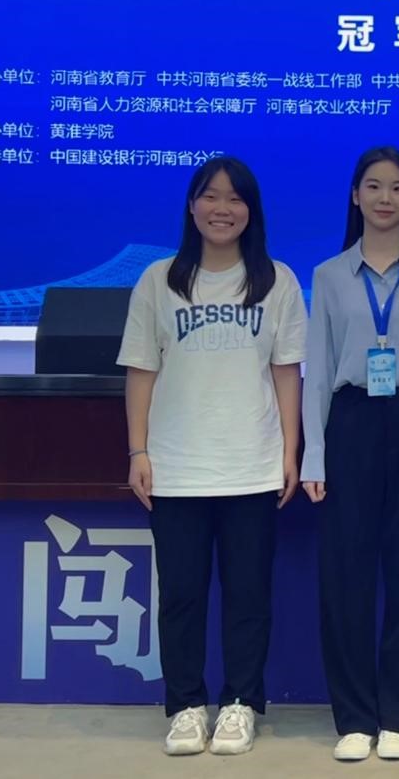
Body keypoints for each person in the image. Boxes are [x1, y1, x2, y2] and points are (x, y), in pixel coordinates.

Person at [117, 156, 307, 756]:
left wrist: (292, 450)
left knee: (248, 596)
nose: (222, 209)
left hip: (252, 464)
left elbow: (286, 373)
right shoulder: (158, 281)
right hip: (177, 467)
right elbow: (141, 372)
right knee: (180, 595)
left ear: (251, 210)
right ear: (192, 206)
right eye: (210, 196)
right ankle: (185, 706)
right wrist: (138, 449)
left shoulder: (277, 281)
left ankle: (241, 703)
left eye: (235, 198)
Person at [301, 145, 399, 762]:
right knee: (346, 574)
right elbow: (318, 373)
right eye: (373, 186)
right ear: (355, 196)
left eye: (397, 187)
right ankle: (354, 716)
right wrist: (315, 454)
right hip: (353, 421)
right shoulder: (329, 275)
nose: (385, 197)